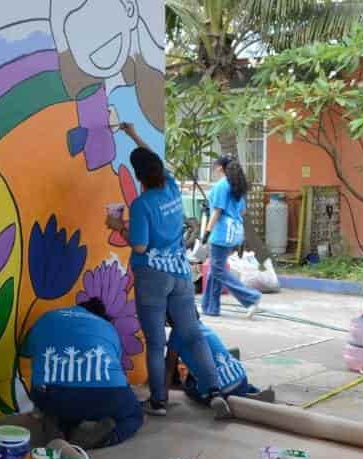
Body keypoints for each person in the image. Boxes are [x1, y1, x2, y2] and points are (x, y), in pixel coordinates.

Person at [107, 122, 229, 418]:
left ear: (138, 177)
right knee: (192, 333)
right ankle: (214, 391)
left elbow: (139, 246)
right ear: (159, 171)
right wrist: (134, 134)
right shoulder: (172, 188)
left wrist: (117, 227)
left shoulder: (141, 205)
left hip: (152, 277)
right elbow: (154, 159)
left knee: (155, 341)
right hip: (180, 273)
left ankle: (159, 401)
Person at [23, 299, 144, 449]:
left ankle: (56, 425)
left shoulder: (47, 317)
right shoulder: (107, 327)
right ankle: (103, 438)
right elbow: (115, 363)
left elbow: (27, 351)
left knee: (62, 403)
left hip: (50, 394)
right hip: (105, 395)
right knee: (134, 415)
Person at [166, 314, 274, 414]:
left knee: (189, 387)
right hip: (240, 378)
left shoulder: (176, 335)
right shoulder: (205, 327)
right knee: (233, 379)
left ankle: (225, 401)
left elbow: (169, 368)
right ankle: (251, 394)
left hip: (218, 389)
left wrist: (162, 396)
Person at [201, 155, 262, 318]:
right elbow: (242, 212)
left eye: (215, 167)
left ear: (220, 167)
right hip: (234, 232)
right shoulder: (236, 186)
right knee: (215, 270)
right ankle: (210, 307)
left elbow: (217, 210)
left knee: (217, 269)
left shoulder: (222, 185)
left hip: (221, 232)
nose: (214, 170)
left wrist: (207, 232)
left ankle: (250, 297)